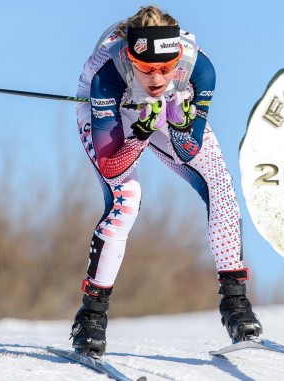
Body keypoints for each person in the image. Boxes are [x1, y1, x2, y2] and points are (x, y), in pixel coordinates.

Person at [72, 5, 262, 358]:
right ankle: (91, 316)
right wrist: (142, 132)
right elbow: (111, 166)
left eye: (166, 68)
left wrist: (177, 123)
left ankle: (236, 305)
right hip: (115, 112)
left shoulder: (199, 69)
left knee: (219, 184)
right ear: (131, 58)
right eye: (146, 69)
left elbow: (189, 151)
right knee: (126, 199)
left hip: (162, 112)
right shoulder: (106, 75)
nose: (158, 78)